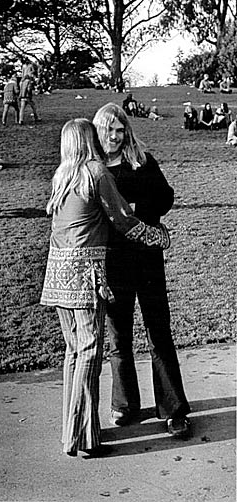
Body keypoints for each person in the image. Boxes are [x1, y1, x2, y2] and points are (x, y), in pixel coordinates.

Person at [40, 118, 170, 457]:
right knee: (89, 351)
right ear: (88, 140)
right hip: (84, 272)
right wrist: (156, 235)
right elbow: (123, 218)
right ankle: (80, 438)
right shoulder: (96, 173)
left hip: (57, 271)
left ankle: (77, 431)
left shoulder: (62, 175)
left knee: (73, 352)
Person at [93, 103, 191, 438]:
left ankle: (173, 409)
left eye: (120, 130)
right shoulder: (93, 168)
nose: (116, 136)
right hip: (113, 261)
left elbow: (166, 197)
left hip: (146, 257)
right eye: (109, 131)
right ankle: (124, 404)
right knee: (118, 336)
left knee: (158, 331)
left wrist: (136, 212)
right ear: (99, 131)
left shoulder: (143, 161)